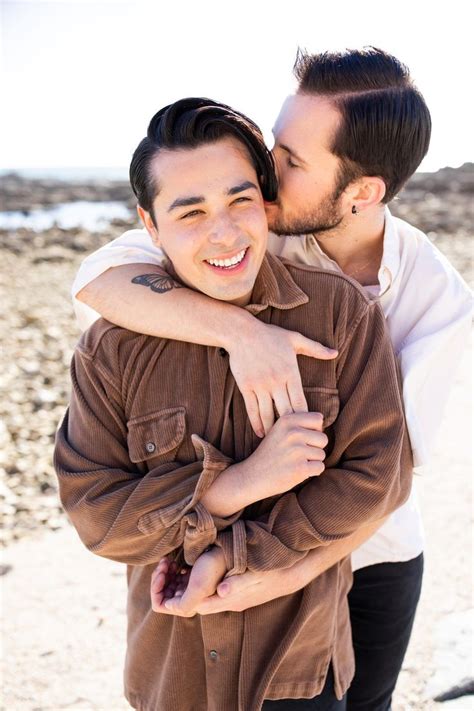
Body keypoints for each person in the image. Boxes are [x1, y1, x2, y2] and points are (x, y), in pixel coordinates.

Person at [71, 48, 472, 710]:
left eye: (290, 161)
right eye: (274, 147)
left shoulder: (437, 300)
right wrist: (241, 332)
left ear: (362, 192)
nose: (264, 174)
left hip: (372, 551)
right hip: (213, 546)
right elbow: (100, 279)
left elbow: (390, 471)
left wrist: (277, 570)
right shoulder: (247, 230)